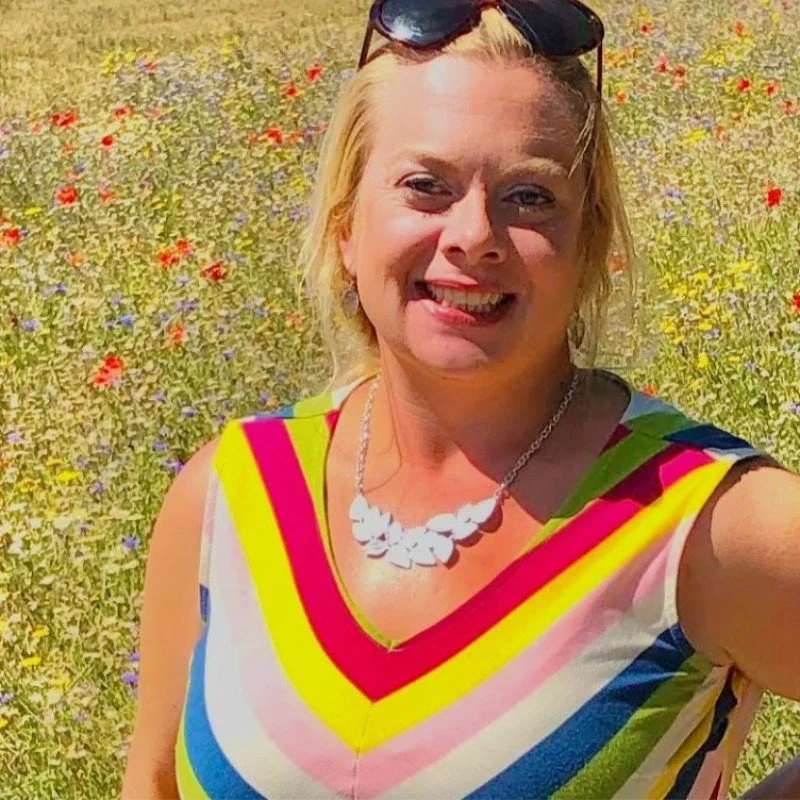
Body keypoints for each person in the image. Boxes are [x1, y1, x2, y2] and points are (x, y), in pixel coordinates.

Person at [121, 1, 800, 798]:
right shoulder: (229, 495)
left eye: (530, 197)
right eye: (425, 186)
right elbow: (155, 783)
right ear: (346, 224)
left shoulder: (703, 523)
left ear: (588, 243)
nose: (473, 234)